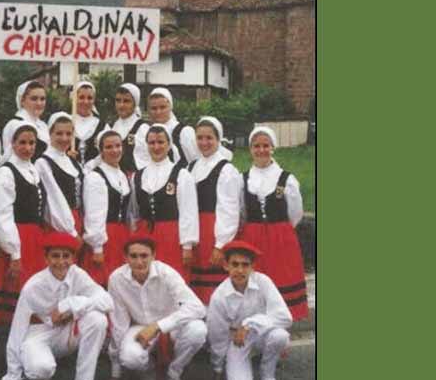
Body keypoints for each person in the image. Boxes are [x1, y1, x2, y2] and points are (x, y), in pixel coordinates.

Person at [0, 232, 113, 380]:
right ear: (46, 258)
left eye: (66, 256)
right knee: (41, 368)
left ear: (73, 258)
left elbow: (107, 300)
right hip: (38, 335)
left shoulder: (77, 274)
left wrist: (72, 304)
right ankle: (39, 377)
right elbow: (16, 331)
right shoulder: (33, 286)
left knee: (98, 320)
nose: (60, 262)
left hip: (65, 333)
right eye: (55, 256)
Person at [107, 233, 207, 380]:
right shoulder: (116, 279)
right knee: (130, 358)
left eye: (144, 255)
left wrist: (158, 326)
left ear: (154, 255)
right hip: (140, 326)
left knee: (198, 330)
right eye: (133, 256)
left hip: (171, 323)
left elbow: (197, 307)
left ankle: (174, 373)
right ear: (125, 257)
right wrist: (115, 368)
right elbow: (119, 322)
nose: (139, 261)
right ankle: (149, 369)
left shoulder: (166, 273)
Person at [238, 126, 308, 320]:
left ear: (273, 148)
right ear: (250, 149)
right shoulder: (242, 179)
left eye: (265, 145)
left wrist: (279, 230)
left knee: (281, 277)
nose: (261, 150)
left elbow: (295, 213)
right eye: (256, 146)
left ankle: (281, 321)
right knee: (256, 280)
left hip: (280, 238)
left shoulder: (286, 179)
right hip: (252, 238)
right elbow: (242, 211)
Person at [0, 122, 49, 326]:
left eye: (32, 143)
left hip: (34, 240)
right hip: (15, 240)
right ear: (12, 143)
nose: (28, 148)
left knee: (33, 296)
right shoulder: (5, 173)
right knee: (14, 298)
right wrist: (14, 252)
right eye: (22, 143)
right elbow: (1, 216)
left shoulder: (32, 170)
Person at [207, 240, 292, 380]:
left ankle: (268, 375)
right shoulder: (219, 296)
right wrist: (218, 367)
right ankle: (240, 369)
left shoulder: (264, 282)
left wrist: (249, 325)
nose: (240, 270)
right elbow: (217, 335)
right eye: (235, 264)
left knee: (280, 336)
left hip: (262, 334)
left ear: (253, 267)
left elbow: (285, 317)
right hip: (237, 341)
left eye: (245, 265)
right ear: (226, 266)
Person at [131, 125, 199, 280]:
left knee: (172, 279)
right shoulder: (138, 175)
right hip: (145, 236)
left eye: (161, 142)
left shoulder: (181, 174)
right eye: (152, 143)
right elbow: (135, 212)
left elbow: (188, 212)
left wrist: (187, 245)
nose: (156, 147)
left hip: (171, 236)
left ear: (169, 145)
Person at [187, 116, 242, 304]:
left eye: (209, 138)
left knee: (215, 289)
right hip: (195, 232)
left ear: (219, 139)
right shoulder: (191, 166)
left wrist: (220, 245)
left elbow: (230, 210)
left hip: (212, 231)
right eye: (200, 138)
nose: (204, 142)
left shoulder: (226, 170)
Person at [80, 130, 132, 285]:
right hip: (105, 237)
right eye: (109, 147)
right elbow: (93, 214)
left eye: (118, 146)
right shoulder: (95, 177)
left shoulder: (122, 174)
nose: (115, 150)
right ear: (101, 151)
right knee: (103, 281)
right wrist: (97, 248)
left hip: (122, 235)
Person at [35, 112, 85, 241]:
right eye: (59, 133)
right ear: (50, 134)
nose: (64, 138)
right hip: (58, 224)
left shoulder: (73, 162)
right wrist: (71, 232)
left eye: (68, 134)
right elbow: (54, 199)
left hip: (77, 221)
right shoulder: (43, 163)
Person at [146, 87, 199, 168]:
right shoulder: (147, 132)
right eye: (154, 108)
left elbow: (196, 162)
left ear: (170, 107)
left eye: (162, 107)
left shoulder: (184, 132)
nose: (158, 112)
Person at [1, 80, 49, 161]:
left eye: (42, 99)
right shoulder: (14, 124)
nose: (39, 103)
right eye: (34, 99)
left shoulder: (43, 126)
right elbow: (10, 157)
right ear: (22, 101)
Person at [111, 83, 150, 174]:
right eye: (118, 100)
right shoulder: (111, 127)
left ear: (135, 104)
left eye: (126, 101)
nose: (121, 105)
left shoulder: (143, 129)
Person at [71, 80, 107, 165]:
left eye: (89, 98)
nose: (85, 102)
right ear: (74, 98)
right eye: (81, 97)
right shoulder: (66, 122)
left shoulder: (102, 126)